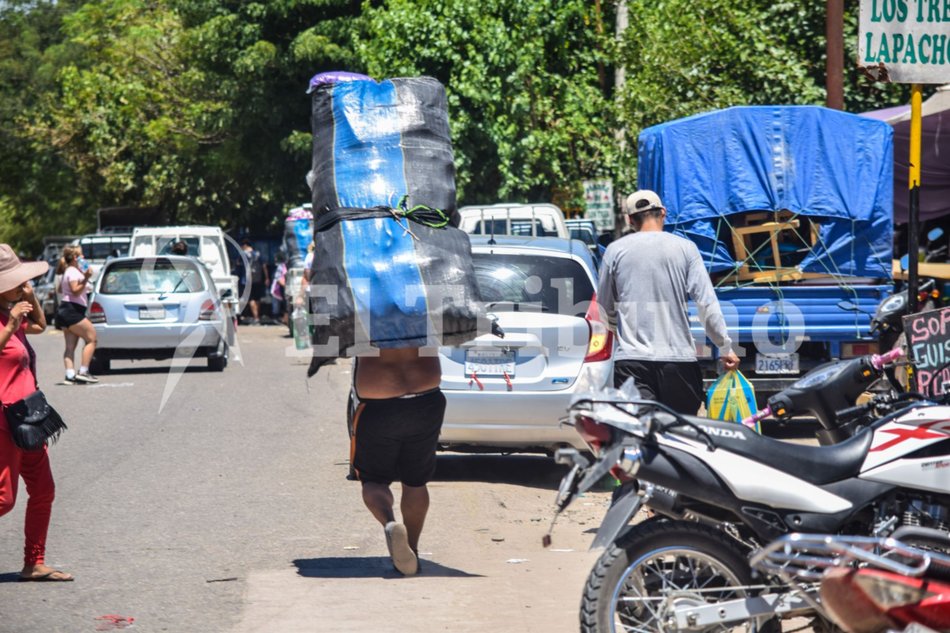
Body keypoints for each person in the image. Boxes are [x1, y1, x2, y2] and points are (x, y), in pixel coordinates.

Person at [597, 190, 739, 415]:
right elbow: (706, 303)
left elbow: (604, 308)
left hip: (632, 363)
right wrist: (724, 346)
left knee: (639, 436)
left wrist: (619, 329)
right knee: (680, 437)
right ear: (663, 213)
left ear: (630, 220)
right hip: (679, 362)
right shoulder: (685, 249)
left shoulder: (615, 251)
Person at [0, 244, 74, 581]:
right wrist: (11, 322)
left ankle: (34, 563)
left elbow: (41, 326)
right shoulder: (7, 319)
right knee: (4, 500)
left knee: (43, 489)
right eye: (17, 281)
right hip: (4, 421)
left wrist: (27, 300)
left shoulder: (13, 313)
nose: (21, 285)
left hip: (30, 417)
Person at [350, 348, 445, 576]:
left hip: (378, 404)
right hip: (427, 399)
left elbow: (328, 344)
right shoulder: (427, 312)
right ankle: (411, 548)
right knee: (416, 482)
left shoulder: (363, 313)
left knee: (373, 481)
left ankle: (390, 523)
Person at [54, 245, 98, 384]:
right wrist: (85, 278)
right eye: (81, 255)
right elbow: (75, 290)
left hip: (66, 309)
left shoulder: (69, 271)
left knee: (70, 346)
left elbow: (61, 289)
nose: (83, 258)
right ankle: (83, 371)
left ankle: (70, 374)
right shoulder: (73, 271)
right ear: (75, 257)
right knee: (92, 339)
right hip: (72, 310)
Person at [240, 239, 268, 325]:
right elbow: (264, 266)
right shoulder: (258, 254)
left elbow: (239, 265)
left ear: (245, 245)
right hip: (258, 279)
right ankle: (257, 316)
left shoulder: (244, 255)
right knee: (257, 298)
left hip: (248, 280)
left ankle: (256, 318)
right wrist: (267, 278)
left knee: (251, 299)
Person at [270, 251, 288, 326]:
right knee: (277, 304)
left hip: (284, 288)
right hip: (278, 288)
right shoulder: (281, 266)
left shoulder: (285, 265)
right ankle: (276, 318)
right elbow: (278, 278)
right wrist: (286, 286)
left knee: (284, 304)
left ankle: (284, 319)